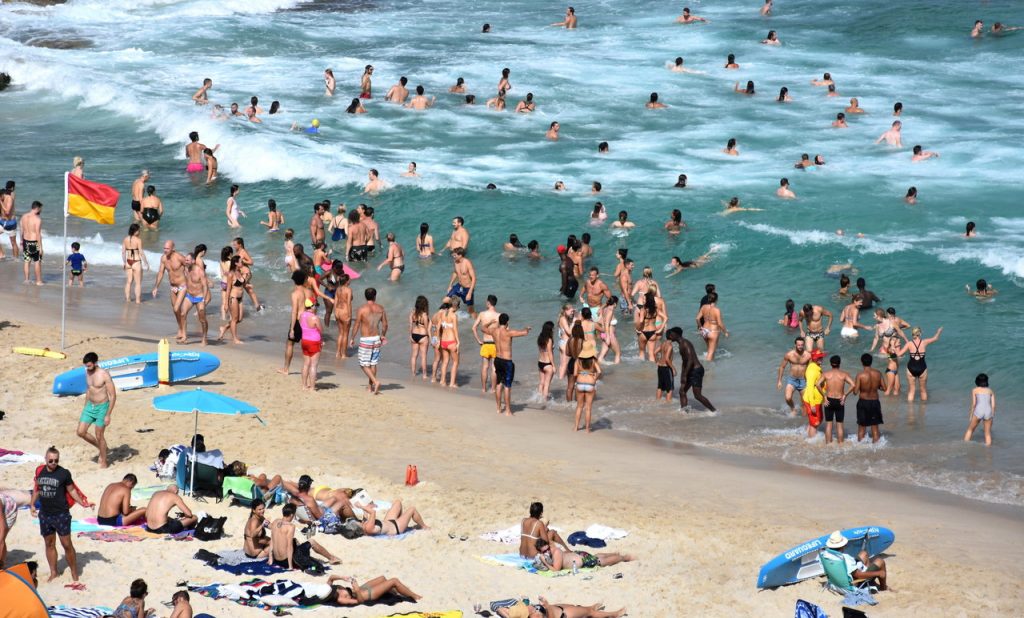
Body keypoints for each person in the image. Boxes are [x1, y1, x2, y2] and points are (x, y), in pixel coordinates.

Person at [31, 446, 90, 583]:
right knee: (49, 543)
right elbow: (37, 489)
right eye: (50, 460)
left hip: (61, 514)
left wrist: (82, 503)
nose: (53, 463)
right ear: (45, 459)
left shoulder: (64, 473)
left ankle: (75, 574)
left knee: (67, 544)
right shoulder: (40, 471)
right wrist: (32, 504)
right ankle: (54, 572)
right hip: (45, 514)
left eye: (56, 461)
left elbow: (72, 491)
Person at [75, 351, 117, 468]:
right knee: (80, 432)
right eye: (86, 366)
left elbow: (113, 396)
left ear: (95, 362)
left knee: (99, 435)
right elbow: (89, 390)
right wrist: (84, 408)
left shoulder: (104, 375)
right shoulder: (87, 372)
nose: (87, 368)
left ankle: (104, 460)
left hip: (102, 408)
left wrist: (108, 414)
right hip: (90, 406)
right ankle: (102, 448)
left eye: (89, 365)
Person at [268, 503, 341, 570]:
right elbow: (289, 547)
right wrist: (290, 566)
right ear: (291, 515)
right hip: (286, 562)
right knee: (311, 541)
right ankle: (331, 558)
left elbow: (272, 540)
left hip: (276, 560)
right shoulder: (290, 526)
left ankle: (331, 557)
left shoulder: (275, 522)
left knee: (295, 541)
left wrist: (270, 558)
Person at [486, 313, 531, 416]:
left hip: (497, 359)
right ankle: (508, 411)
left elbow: (483, 328)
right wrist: (527, 328)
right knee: (507, 386)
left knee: (498, 384)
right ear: (507, 322)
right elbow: (524, 333)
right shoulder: (509, 332)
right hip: (507, 362)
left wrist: (491, 323)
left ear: (499, 321)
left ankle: (498, 408)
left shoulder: (493, 331)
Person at [352, 287, 388, 394]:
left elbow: (357, 324)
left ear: (365, 296)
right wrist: (382, 335)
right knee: (373, 364)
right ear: (375, 296)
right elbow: (385, 325)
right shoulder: (381, 308)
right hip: (376, 339)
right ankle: (369, 387)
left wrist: (352, 338)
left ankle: (375, 382)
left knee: (363, 364)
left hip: (366, 339)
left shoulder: (362, 309)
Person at [817, 355, 855, 445]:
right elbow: (853, 385)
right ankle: (841, 444)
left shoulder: (826, 374)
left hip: (829, 400)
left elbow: (817, 384)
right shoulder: (844, 374)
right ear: (839, 364)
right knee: (839, 424)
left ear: (831, 364)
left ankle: (828, 444)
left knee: (829, 424)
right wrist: (845, 395)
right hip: (839, 401)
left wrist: (824, 396)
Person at [897, 326, 942, 402]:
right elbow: (935, 338)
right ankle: (922, 411)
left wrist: (894, 348)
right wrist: (938, 331)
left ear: (912, 334)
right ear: (920, 334)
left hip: (911, 368)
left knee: (911, 391)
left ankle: (910, 411)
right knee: (923, 391)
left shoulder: (909, 344)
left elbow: (899, 354)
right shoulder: (924, 342)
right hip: (922, 368)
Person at [535, 539, 634, 571]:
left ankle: (623, 557)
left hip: (581, 559)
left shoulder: (555, 552)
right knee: (595, 557)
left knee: (599, 562)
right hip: (578, 555)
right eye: (544, 551)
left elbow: (555, 570)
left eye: (547, 549)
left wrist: (544, 562)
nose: (547, 551)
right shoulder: (552, 551)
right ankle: (614, 554)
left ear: (548, 545)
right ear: (540, 552)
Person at [178, 247, 210, 345]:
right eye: (185, 260)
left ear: (193, 260)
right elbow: (187, 281)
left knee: (202, 319)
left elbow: (205, 286)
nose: (185, 261)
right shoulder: (186, 269)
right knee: (182, 314)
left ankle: (204, 338)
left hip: (200, 297)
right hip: (189, 296)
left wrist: (204, 299)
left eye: (187, 260)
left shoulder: (200, 271)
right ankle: (184, 336)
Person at [324, 573, 422, 606]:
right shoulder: (340, 599)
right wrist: (357, 590)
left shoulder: (329, 589)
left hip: (361, 588)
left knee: (382, 578)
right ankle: (414, 596)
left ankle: (395, 591)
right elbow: (359, 601)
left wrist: (342, 578)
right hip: (367, 595)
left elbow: (331, 578)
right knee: (394, 581)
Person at [472, 295, 500, 393]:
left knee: (484, 367)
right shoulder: (499, 316)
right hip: (495, 344)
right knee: (494, 368)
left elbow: (474, 328)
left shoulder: (482, 314)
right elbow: (505, 331)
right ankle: (493, 389)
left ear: (488, 303)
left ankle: (484, 389)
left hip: (485, 343)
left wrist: (478, 340)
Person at [854, 354, 885, 443]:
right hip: (875, 402)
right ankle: (876, 451)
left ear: (861, 362)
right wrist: (876, 386)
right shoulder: (878, 373)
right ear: (871, 362)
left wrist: (856, 387)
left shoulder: (860, 375)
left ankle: (861, 450)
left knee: (861, 429)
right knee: (875, 428)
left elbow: (855, 392)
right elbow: (885, 388)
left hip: (863, 402)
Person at [359, 498, 428, 537]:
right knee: (412, 509)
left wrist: (364, 508)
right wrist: (360, 506)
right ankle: (424, 526)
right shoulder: (368, 528)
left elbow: (366, 515)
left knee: (397, 502)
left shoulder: (364, 524)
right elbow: (373, 512)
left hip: (388, 522)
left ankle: (403, 521)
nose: (357, 522)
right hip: (396, 527)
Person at [777, 338, 810, 416]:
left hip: (803, 381)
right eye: (798, 345)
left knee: (804, 404)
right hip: (792, 380)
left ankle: (802, 422)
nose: (800, 346)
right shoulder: (789, 355)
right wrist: (779, 381)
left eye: (802, 345)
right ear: (795, 345)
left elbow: (811, 368)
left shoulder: (808, 355)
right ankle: (793, 409)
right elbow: (782, 367)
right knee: (788, 398)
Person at [573, 341, 601, 432]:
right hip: (590, 383)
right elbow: (599, 371)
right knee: (588, 408)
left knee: (579, 406)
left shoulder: (578, 360)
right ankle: (588, 429)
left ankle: (576, 427)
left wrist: (580, 375)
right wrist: (594, 377)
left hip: (580, 383)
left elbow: (574, 374)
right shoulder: (593, 360)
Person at [964, 373, 995, 446]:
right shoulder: (990, 391)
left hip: (979, 411)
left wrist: (971, 415)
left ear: (977, 381)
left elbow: (974, 404)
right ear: (986, 381)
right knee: (987, 433)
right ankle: (988, 452)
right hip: (988, 411)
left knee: (970, 430)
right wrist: (992, 415)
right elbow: (993, 405)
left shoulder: (975, 390)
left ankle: (965, 446)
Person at [695, 291, 726, 361]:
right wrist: (725, 332)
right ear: (716, 300)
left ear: (708, 299)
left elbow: (697, 318)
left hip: (704, 330)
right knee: (711, 352)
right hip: (713, 331)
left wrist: (700, 328)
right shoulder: (717, 310)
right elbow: (720, 323)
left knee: (709, 350)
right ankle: (707, 369)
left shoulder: (703, 307)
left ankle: (710, 364)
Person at [445, 247, 477, 316]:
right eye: (453, 255)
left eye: (455, 255)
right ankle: (448, 317)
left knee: (470, 311)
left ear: (460, 255)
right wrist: (450, 285)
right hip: (459, 286)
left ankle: (476, 323)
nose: (453, 256)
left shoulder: (467, 263)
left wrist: (470, 293)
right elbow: (455, 273)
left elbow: (474, 278)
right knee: (446, 300)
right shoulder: (455, 262)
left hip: (468, 288)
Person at [121, 224, 148, 303]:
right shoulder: (138, 240)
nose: (139, 232)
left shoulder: (125, 239)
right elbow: (141, 252)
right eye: (138, 230)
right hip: (136, 262)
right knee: (138, 283)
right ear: (135, 231)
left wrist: (124, 262)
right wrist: (146, 263)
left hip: (128, 261)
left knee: (129, 281)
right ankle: (137, 300)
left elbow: (123, 252)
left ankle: (128, 299)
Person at [802, 350, 826, 437]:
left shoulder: (816, 366)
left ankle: (807, 434)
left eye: (821, 357)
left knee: (815, 421)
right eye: (819, 357)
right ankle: (811, 442)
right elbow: (810, 387)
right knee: (815, 423)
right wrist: (812, 404)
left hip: (817, 399)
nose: (821, 358)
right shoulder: (812, 370)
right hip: (813, 400)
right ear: (814, 358)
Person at [19, 200, 43, 285]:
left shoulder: (23, 216)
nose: (41, 211)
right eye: (40, 209)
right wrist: (40, 247)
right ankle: (38, 281)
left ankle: (26, 280)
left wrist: (21, 241)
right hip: (34, 243)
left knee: (27, 261)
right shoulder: (37, 219)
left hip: (25, 241)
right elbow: (38, 234)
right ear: (37, 208)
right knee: (37, 261)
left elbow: (21, 230)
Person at [536, 321, 556, 401]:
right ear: (550, 329)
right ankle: (544, 400)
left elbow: (542, 350)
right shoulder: (549, 340)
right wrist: (553, 365)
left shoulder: (540, 338)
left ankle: (538, 397)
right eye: (553, 328)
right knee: (547, 384)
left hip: (540, 362)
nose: (553, 330)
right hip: (547, 364)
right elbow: (550, 353)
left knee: (541, 383)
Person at [654, 329, 675, 402]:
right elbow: (667, 359)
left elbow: (655, 352)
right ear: (672, 337)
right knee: (670, 388)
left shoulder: (663, 344)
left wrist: (656, 361)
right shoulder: (670, 346)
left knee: (660, 386)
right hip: (666, 368)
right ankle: (668, 404)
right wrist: (673, 368)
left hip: (660, 367)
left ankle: (657, 401)